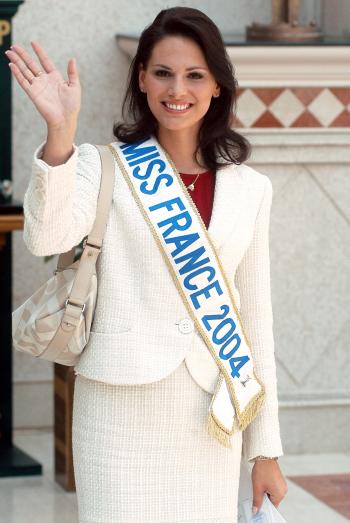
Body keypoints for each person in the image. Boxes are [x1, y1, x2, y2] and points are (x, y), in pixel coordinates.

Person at [5, 6, 288, 522]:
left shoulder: (251, 189)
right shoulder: (98, 165)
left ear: (218, 86)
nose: (177, 88)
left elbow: (256, 326)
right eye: (162, 72)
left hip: (210, 416)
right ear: (141, 78)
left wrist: (264, 449)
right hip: (117, 407)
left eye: (194, 75)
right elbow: (45, 236)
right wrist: (59, 132)